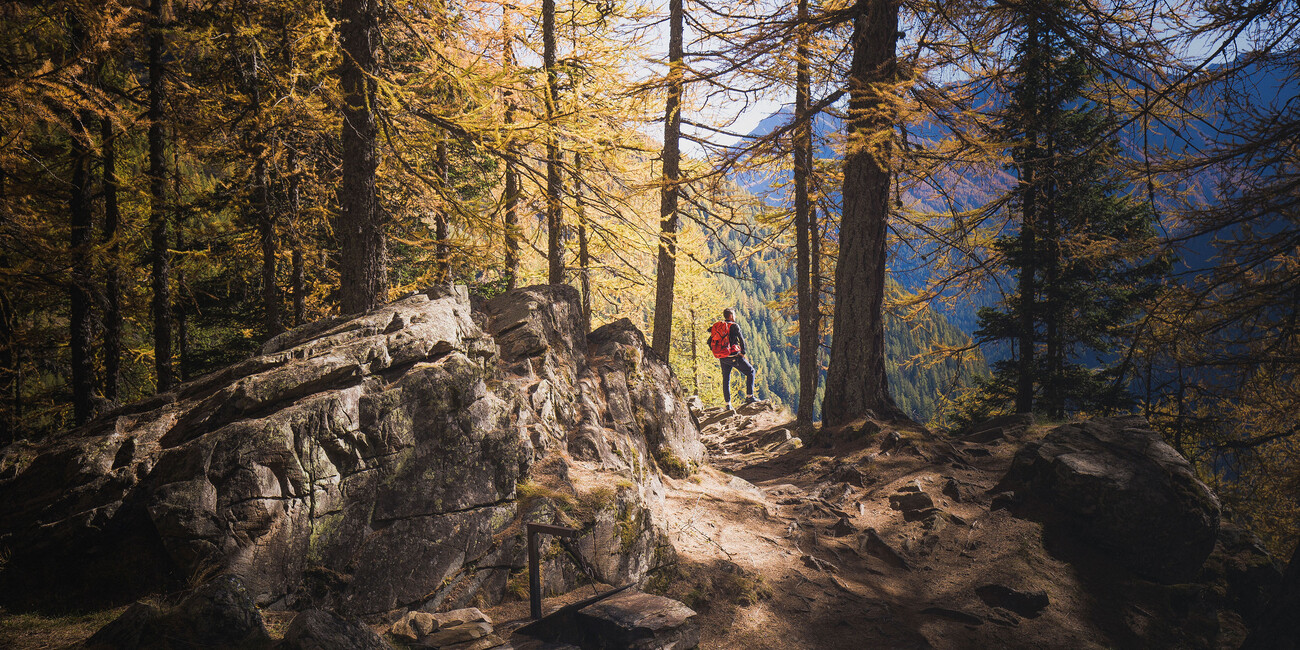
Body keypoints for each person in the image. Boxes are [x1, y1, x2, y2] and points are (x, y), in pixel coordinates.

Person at [707, 308, 757, 409]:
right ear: (730, 316)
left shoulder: (717, 327)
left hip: (723, 357)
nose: (735, 316)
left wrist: (717, 352)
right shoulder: (734, 326)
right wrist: (742, 352)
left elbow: (709, 341)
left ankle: (727, 404)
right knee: (751, 371)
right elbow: (741, 339)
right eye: (734, 314)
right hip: (734, 356)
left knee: (726, 379)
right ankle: (749, 396)